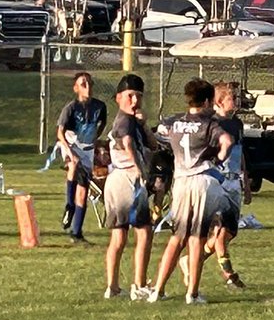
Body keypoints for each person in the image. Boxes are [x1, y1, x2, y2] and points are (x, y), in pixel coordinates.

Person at [148, 79, 232, 304]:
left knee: (177, 237)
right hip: (202, 180)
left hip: (181, 181)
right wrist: (220, 157)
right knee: (198, 237)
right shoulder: (209, 124)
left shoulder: (175, 122)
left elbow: (159, 135)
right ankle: (192, 293)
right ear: (206, 101)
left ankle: (158, 289)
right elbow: (227, 141)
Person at [188, 81, 250, 290]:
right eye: (232, 97)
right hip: (219, 180)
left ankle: (190, 262)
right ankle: (229, 276)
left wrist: (245, 181)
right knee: (221, 232)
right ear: (220, 101)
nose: (236, 101)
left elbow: (240, 154)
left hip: (235, 181)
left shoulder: (237, 124)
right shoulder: (211, 124)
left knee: (229, 232)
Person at [103, 74, 155, 299]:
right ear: (118, 98)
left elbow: (152, 144)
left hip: (116, 180)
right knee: (143, 232)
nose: (135, 101)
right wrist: (141, 171)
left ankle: (112, 287)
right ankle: (139, 285)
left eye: (139, 96)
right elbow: (128, 144)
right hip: (128, 180)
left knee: (119, 236)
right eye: (130, 96)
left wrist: (144, 124)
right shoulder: (124, 121)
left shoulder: (135, 121)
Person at [56, 71, 108, 244]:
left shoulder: (100, 106)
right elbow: (60, 133)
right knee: (73, 165)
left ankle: (76, 233)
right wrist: (70, 152)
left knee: (83, 191)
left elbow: (102, 124)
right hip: (70, 143)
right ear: (76, 88)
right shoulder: (71, 108)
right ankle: (69, 205)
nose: (88, 86)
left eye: (90, 83)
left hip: (87, 148)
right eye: (83, 83)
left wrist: (96, 139)